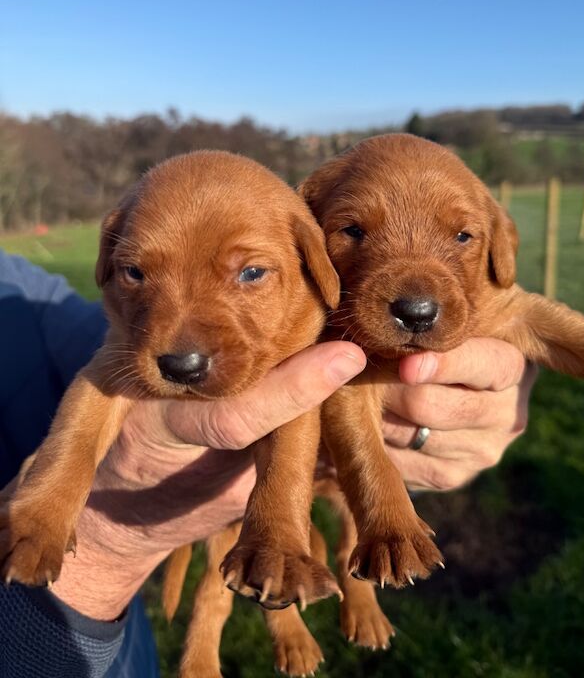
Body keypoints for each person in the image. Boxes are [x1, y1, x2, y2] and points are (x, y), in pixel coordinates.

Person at [0, 250, 536, 677]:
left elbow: (109, 349)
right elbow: (107, 376)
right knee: (235, 560)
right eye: (135, 272)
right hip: (64, 643)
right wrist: (109, 541)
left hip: (126, 655)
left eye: (251, 272)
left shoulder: (18, 289)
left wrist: (424, 421)